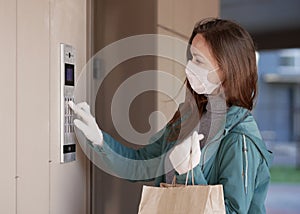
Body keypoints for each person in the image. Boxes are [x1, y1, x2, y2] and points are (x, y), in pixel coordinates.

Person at [69, 18, 273, 213]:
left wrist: (188, 173)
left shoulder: (240, 139)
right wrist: (100, 140)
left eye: (199, 61)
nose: (189, 66)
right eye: (191, 57)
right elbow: (140, 164)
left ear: (227, 69)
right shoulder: (188, 117)